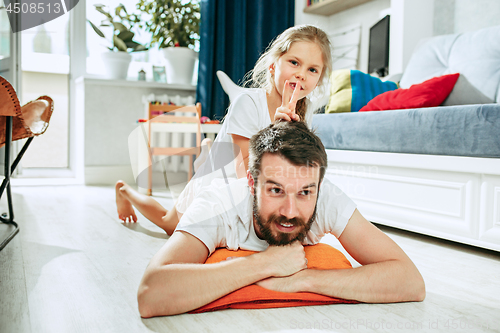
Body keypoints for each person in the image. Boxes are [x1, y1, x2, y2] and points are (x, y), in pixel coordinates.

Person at [137, 121, 426, 318]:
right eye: (276, 190)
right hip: (205, 185)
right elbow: (151, 293)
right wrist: (263, 263)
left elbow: (411, 282)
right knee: (167, 220)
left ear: (318, 187)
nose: (290, 211)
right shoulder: (216, 204)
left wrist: (302, 279)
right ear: (253, 183)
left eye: (304, 193)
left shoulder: (326, 198)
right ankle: (128, 191)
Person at [115, 24, 332, 235]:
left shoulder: (307, 110)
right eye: (294, 62)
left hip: (258, 188)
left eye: (312, 69)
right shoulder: (248, 102)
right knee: (171, 225)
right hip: (224, 177)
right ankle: (125, 191)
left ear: (319, 79)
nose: (301, 74)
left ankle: (209, 150)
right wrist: (277, 129)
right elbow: (245, 169)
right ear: (273, 65)